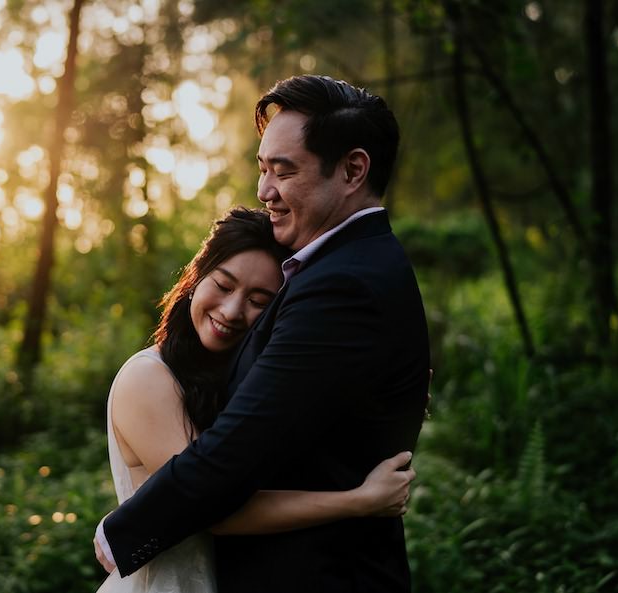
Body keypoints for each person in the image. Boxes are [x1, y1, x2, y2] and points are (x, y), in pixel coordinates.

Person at [96, 75, 430, 593]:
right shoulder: (352, 268)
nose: (264, 190)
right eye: (262, 168)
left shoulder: (343, 285)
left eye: (284, 170)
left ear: (352, 170)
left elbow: (237, 452)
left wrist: (122, 531)